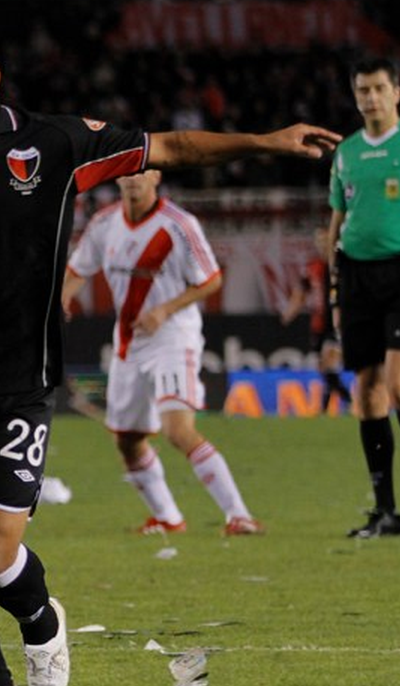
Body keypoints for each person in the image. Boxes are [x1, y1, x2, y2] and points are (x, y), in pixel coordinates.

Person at [0, 23, 337, 686]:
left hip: (16, 384)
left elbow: (174, 147)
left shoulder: (54, 146)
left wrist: (268, 140)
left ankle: (41, 626)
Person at [62, 170, 264, 536]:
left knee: (177, 430)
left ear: (156, 176)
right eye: (125, 172)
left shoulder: (179, 225)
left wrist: (164, 310)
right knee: (126, 439)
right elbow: (77, 270)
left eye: (142, 171)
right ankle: (169, 519)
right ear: (117, 180)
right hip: (128, 343)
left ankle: (239, 515)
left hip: (173, 337)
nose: (133, 179)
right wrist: (60, 301)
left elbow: (211, 280)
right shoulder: (105, 222)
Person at [327, 57, 400, 538]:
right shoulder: (345, 152)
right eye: (362, 90)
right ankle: (386, 512)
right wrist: (332, 283)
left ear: (396, 92)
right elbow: (336, 220)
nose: (370, 98)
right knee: (366, 394)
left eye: (379, 89)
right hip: (356, 276)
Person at [280, 228, 350, 413]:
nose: (321, 244)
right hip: (319, 324)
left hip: (336, 323)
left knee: (328, 362)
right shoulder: (313, 267)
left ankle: (345, 401)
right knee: (323, 368)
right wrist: (290, 312)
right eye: (318, 241)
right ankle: (333, 406)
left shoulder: (342, 265)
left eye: (324, 240)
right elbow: (301, 293)